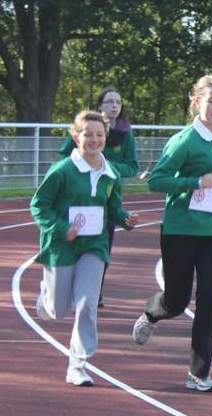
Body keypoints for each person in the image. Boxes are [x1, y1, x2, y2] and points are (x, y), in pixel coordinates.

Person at [131, 75, 212, 392]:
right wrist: (194, 182)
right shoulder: (185, 141)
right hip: (181, 230)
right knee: (178, 301)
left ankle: (198, 372)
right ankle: (154, 311)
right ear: (197, 102)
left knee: (211, 299)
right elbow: (157, 180)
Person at [32, 110, 137, 385]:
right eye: (87, 134)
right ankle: (46, 298)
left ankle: (78, 364)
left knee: (87, 303)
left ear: (106, 137)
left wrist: (126, 219)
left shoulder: (111, 174)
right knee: (57, 310)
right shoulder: (63, 170)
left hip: (95, 245)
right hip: (62, 246)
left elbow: (113, 209)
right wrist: (61, 228)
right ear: (75, 136)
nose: (94, 139)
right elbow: (38, 206)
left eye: (99, 135)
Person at [59, 87, 140, 307]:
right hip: (78, 195)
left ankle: (94, 292)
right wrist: (86, 163)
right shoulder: (84, 127)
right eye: (109, 101)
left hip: (107, 197)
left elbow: (132, 166)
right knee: (72, 242)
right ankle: (64, 286)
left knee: (100, 247)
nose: (115, 105)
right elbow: (64, 155)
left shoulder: (126, 132)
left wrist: (105, 166)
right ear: (100, 105)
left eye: (118, 102)